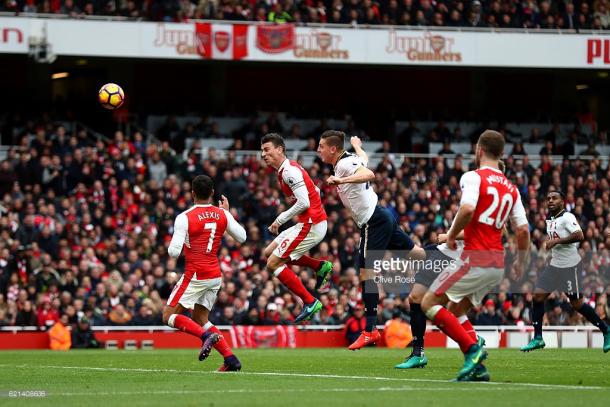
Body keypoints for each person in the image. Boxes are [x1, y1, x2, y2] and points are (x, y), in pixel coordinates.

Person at [421, 130, 530, 381]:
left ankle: (472, 351)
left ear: (479, 151)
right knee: (455, 308)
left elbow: (468, 208)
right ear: (501, 154)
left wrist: (451, 234)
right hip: (497, 264)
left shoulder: (473, 177)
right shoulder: (512, 189)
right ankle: (477, 368)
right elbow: (522, 230)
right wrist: (521, 263)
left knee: (429, 303)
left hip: (474, 258)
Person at [317, 130, 425, 350]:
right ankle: (448, 256)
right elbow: (363, 161)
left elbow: (369, 174)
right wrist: (357, 146)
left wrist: (341, 179)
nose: (318, 150)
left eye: (321, 146)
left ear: (333, 149)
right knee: (417, 254)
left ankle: (370, 329)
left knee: (367, 273)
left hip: (373, 221)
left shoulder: (344, 167)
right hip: (382, 215)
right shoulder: (349, 158)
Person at [163, 175, 247, 372]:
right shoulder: (222, 214)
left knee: (168, 316)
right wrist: (226, 214)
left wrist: (182, 238)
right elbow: (242, 237)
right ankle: (230, 359)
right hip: (214, 276)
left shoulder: (184, 217)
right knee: (201, 317)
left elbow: (173, 252)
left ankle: (204, 337)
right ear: (212, 193)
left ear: (192, 193)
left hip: (195, 274)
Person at [521, 191, 610, 353]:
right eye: (548, 198)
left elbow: (579, 235)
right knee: (537, 296)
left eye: (554, 198)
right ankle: (538, 338)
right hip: (555, 266)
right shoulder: (550, 219)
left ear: (562, 201)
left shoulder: (567, 217)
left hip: (570, 267)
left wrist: (557, 241)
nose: (550, 201)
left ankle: (606, 329)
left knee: (577, 304)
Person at [260, 134, 332, 323]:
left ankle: (309, 301)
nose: (263, 154)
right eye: (262, 151)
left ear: (280, 149)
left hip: (311, 224)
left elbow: (304, 202)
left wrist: (280, 219)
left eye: (267, 149)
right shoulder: (286, 170)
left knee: (273, 264)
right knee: (269, 253)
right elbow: (314, 190)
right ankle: (319, 266)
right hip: (308, 222)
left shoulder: (289, 172)